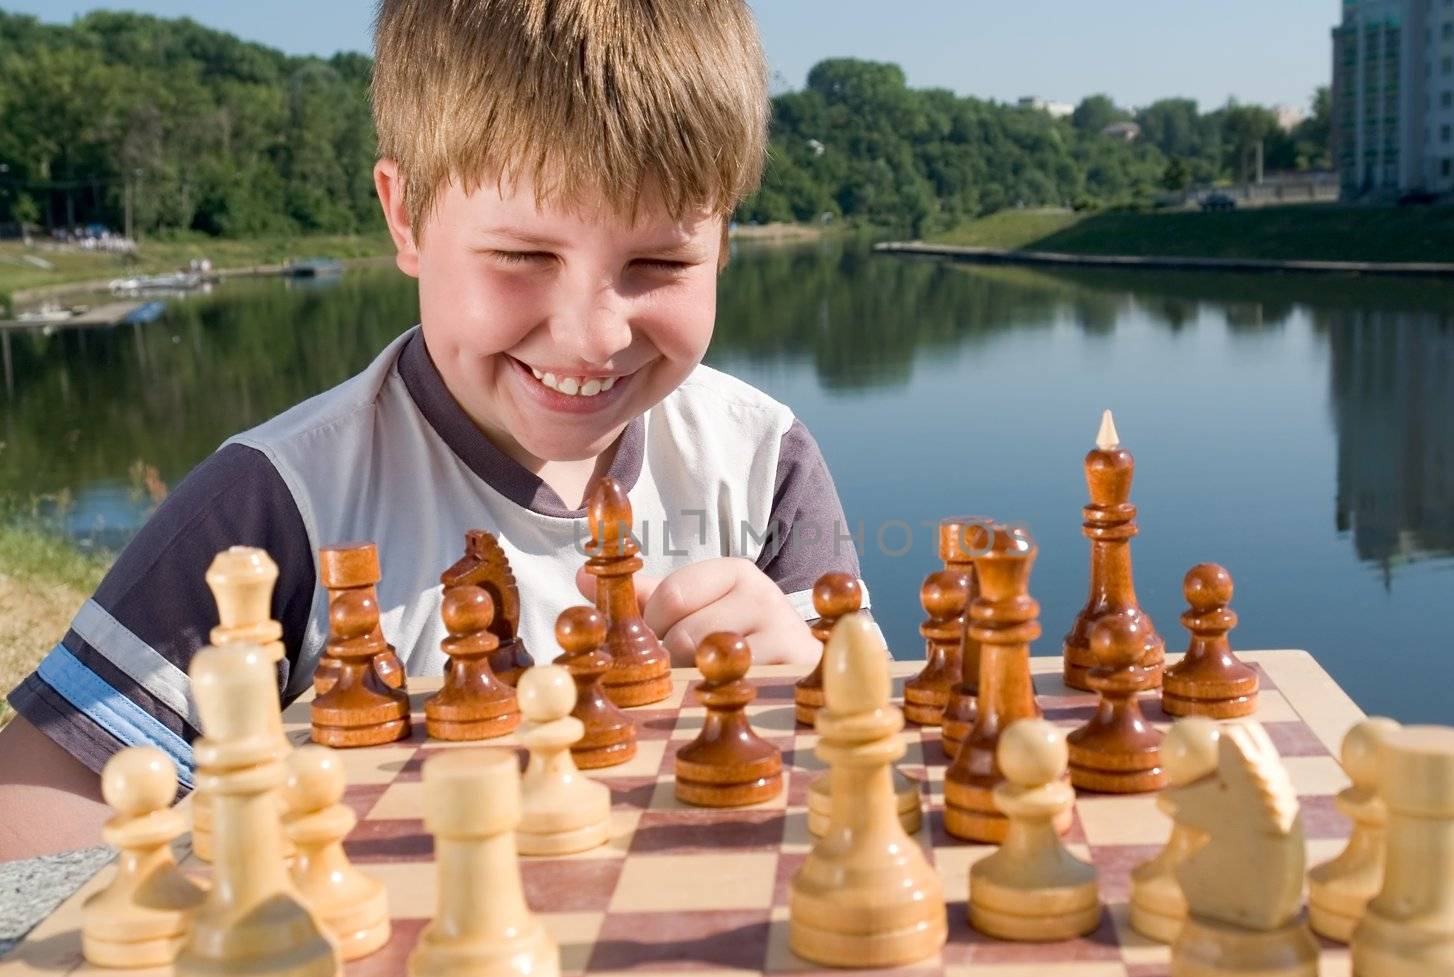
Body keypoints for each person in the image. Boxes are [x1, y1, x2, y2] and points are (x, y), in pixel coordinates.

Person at [0, 0, 867, 862]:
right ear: (406, 215)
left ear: (723, 243)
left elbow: (875, 781)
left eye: (662, 262)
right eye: (524, 256)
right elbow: (29, 844)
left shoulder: (764, 462)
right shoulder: (274, 510)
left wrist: (812, 687)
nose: (593, 336)